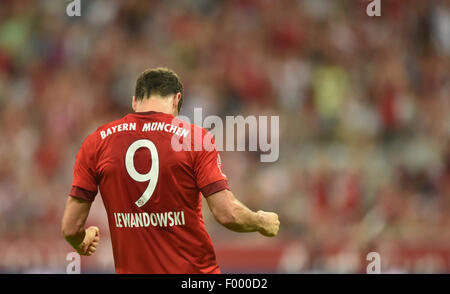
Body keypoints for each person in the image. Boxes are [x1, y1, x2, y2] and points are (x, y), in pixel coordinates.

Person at [61, 67, 280, 274]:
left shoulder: (96, 142)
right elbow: (227, 214)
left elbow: (70, 228)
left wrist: (81, 240)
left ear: (135, 101)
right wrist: (260, 221)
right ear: (176, 100)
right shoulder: (194, 139)